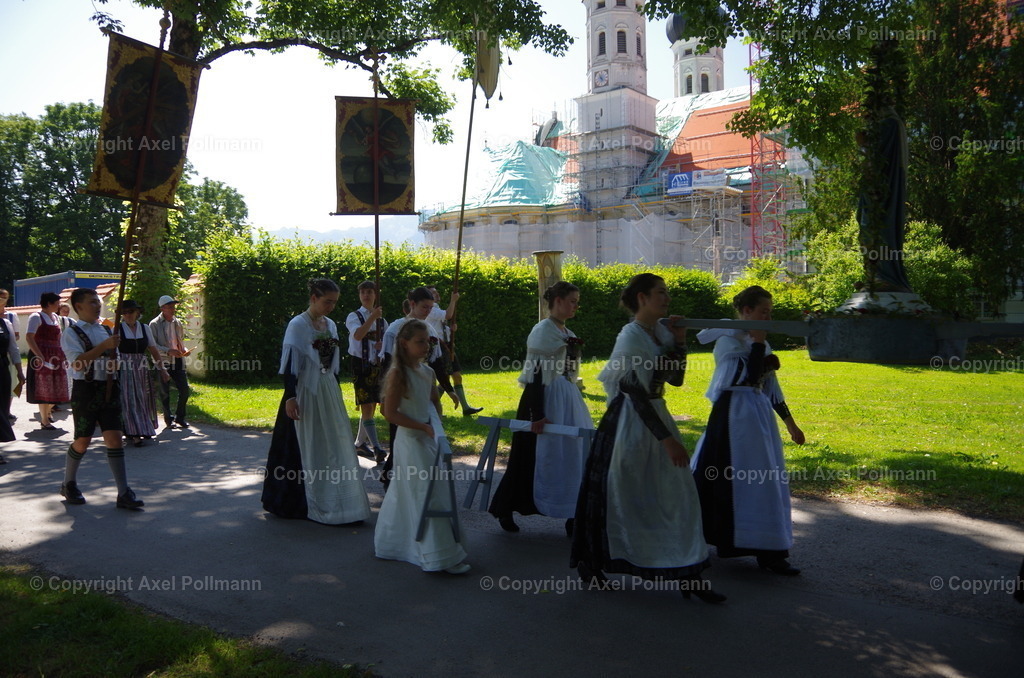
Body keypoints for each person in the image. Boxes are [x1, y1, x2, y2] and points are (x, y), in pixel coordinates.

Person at [571, 273, 724, 603]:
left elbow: (678, 380)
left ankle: (689, 575)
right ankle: (592, 564)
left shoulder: (662, 332)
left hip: (656, 411)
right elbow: (635, 391)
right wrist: (667, 440)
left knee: (678, 495)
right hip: (630, 420)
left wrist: (680, 341)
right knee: (620, 493)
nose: (667, 298)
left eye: (667, 292)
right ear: (642, 297)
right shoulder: (631, 336)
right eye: (660, 292)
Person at [689, 285, 806, 576]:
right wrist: (756, 343)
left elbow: (769, 385)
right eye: (763, 312)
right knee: (723, 476)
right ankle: (703, 539)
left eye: (770, 313)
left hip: (758, 415)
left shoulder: (761, 344)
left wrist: (790, 423)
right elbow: (747, 377)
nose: (767, 318)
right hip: (732, 416)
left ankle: (770, 552)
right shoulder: (728, 342)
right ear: (746, 312)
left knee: (765, 479)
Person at [261, 278, 371, 525]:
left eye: (334, 302)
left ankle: (341, 502)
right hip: (304, 392)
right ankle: (297, 502)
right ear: (313, 298)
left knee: (332, 444)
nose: (331, 307)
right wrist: (290, 396)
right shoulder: (298, 325)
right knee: (301, 445)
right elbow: (290, 363)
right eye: (327, 302)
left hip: (327, 390)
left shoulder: (330, 325)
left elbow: (331, 364)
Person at [489, 281, 592, 534]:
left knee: (572, 456)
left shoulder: (566, 330)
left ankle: (572, 514)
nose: (575, 306)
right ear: (557, 300)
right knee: (529, 456)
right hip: (543, 398)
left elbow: (569, 370)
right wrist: (538, 413)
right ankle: (506, 507)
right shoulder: (543, 330)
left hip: (566, 398)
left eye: (577, 302)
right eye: (572, 301)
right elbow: (535, 372)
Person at [374, 319, 470, 574]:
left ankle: (417, 544)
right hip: (409, 440)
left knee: (428, 489)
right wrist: (421, 426)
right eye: (420, 342)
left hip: (427, 438)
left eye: (428, 341)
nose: (426, 346)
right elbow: (389, 413)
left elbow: (432, 405)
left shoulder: (427, 373)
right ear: (404, 343)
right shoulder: (398, 373)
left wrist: (435, 414)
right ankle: (437, 554)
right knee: (423, 491)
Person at [58, 287, 144, 509]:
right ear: (79, 307)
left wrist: (114, 364)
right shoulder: (71, 332)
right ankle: (69, 483)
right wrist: (104, 348)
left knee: (115, 439)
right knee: (83, 440)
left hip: (109, 387)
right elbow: (77, 363)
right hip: (85, 390)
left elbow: (111, 359)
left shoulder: (107, 330)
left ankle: (124, 492)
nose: (99, 305)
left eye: (98, 301)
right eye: (93, 302)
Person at [377, 287, 452, 489]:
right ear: (412, 304)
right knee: (399, 439)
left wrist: (449, 388)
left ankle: (397, 478)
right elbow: (388, 363)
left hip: (421, 384)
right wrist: (384, 397)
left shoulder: (429, 330)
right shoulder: (397, 329)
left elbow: (436, 364)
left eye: (430, 307)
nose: (428, 311)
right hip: (401, 390)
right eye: (424, 307)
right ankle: (392, 478)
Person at [346, 280, 389, 464]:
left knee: (371, 406)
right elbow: (358, 335)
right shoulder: (353, 316)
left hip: (376, 365)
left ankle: (359, 443)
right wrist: (373, 317)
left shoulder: (383, 321)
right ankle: (377, 447)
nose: (366, 295)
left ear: (375, 295)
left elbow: (387, 344)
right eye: (363, 292)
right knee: (366, 404)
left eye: (369, 292)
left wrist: (381, 345)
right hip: (360, 364)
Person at [425, 285, 482, 416]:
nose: (437, 294)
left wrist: (450, 330)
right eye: (433, 293)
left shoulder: (437, 308)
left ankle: (465, 408)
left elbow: (441, 325)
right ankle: (430, 409)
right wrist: (454, 300)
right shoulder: (431, 310)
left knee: (456, 376)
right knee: (445, 378)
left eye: (437, 292)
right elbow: (449, 314)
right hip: (438, 348)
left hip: (447, 346)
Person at [118, 300, 168, 447]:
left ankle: (144, 427)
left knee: (143, 397)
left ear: (137, 313)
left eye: (131, 312)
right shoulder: (117, 329)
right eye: (125, 312)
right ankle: (133, 432)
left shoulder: (145, 328)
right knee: (128, 399)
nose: (128, 315)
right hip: (124, 367)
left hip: (141, 367)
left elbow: (153, 349)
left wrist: (162, 369)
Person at [25, 292, 69, 430]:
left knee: (58, 387)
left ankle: (48, 412)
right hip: (42, 356)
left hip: (56, 355)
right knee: (44, 388)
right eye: (57, 303)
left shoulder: (56, 317)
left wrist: (64, 354)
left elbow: (59, 338)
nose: (59, 305)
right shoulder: (36, 316)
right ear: (49, 303)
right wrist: (39, 355)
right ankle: (44, 420)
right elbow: (29, 337)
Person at [149, 294, 191, 429]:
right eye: (170, 307)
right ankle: (169, 420)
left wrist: (184, 349)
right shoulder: (154, 324)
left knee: (184, 390)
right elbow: (153, 345)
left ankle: (180, 417)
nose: (173, 309)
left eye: (173, 306)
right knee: (164, 393)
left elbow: (180, 341)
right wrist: (168, 350)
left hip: (178, 361)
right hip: (163, 362)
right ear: (162, 308)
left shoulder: (177, 322)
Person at [0, 313, 25, 460]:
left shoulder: (5, 324)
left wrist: (20, 372)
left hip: (2, 368)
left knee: (2, 408)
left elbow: (14, 349)